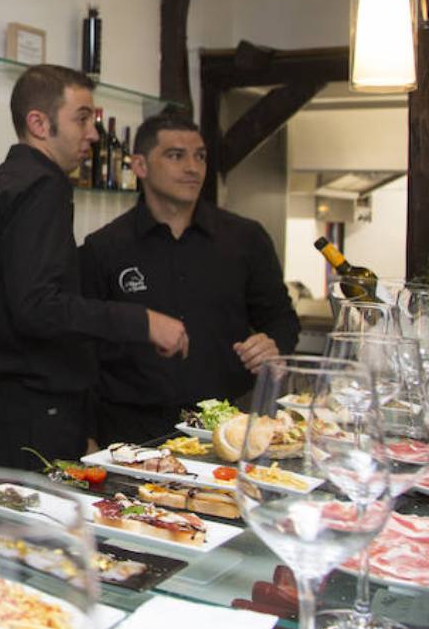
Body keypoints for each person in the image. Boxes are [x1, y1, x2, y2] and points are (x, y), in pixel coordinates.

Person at [0, 65, 188, 471]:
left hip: (6, 407)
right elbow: (37, 306)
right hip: (36, 412)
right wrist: (142, 322)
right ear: (39, 123)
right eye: (82, 118)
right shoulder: (42, 185)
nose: (93, 133)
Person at [80, 113, 300, 445]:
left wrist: (274, 345)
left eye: (200, 156)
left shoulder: (245, 238)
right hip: (129, 430)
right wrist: (88, 434)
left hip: (227, 424)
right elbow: (84, 346)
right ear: (140, 165)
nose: (193, 167)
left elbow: (282, 318)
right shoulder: (104, 248)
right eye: (175, 155)